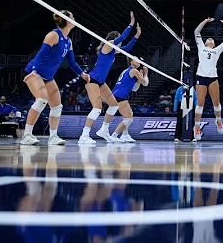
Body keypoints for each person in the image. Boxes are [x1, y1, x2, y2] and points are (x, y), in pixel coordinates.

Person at [22, 10, 90, 146]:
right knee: (41, 100)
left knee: (57, 106)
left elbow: (72, 62)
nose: (74, 19)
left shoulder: (68, 41)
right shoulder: (53, 35)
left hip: (48, 77)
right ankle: (26, 135)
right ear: (66, 20)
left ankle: (53, 137)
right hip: (34, 72)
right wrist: (35, 70)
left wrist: (81, 73)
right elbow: (41, 54)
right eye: (72, 16)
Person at [79, 12, 140, 144]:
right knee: (97, 108)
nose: (120, 42)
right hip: (92, 80)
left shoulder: (113, 51)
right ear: (114, 39)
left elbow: (127, 48)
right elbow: (121, 38)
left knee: (113, 105)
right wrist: (131, 25)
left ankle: (104, 130)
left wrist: (137, 35)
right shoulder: (108, 45)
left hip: (101, 82)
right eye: (119, 40)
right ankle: (84, 135)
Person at [193, 17, 223, 141]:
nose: (209, 39)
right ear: (204, 43)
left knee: (216, 103)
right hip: (201, 77)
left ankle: (218, 121)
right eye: (207, 39)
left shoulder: (216, 50)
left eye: (212, 39)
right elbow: (197, 32)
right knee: (200, 104)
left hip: (213, 78)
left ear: (213, 44)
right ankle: (197, 127)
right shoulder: (201, 47)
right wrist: (205, 21)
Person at [106, 57, 149, 143]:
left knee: (129, 115)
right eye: (136, 59)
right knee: (129, 118)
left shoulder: (129, 71)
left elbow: (134, 89)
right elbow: (145, 83)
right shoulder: (134, 71)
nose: (138, 61)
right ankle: (114, 135)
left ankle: (125, 135)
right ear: (131, 62)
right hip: (120, 95)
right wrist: (145, 74)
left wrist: (139, 79)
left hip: (116, 94)